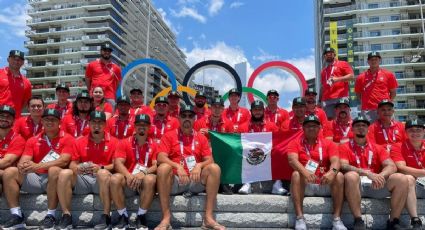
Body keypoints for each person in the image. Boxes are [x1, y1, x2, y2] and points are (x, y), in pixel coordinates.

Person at [2, 109, 74, 230]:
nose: (49, 122)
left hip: (56, 180)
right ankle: (16, 215)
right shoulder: (33, 140)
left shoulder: (67, 138)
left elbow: (64, 161)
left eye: (53, 119)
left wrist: (37, 166)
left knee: (54, 170)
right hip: (36, 177)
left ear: (59, 122)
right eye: (46, 119)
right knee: (10, 172)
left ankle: (51, 215)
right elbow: (24, 160)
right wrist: (23, 165)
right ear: (41, 121)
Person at [155, 105, 225, 230]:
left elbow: (210, 159)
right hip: (176, 181)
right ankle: (166, 218)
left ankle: (208, 219)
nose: (187, 118)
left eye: (190, 116)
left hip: (194, 180)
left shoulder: (201, 137)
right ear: (178, 118)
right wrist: (177, 166)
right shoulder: (169, 135)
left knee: (214, 168)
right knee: (163, 168)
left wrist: (199, 165)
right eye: (184, 116)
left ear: (194, 119)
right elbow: (160, 157)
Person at [339, 116, 408, 230]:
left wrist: (381, 175)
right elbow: (343, 165)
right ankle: (358, 220)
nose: (361, 128)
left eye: (364, 125)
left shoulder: (377, 147)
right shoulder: (344, 146)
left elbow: (391, 166)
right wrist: (366, 173)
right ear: (352, 129)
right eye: (357, 125)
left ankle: (393, 222)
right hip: (355, 185)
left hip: (375, 183)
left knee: (401, 178)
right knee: (351, 176)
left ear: (368, 129)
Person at [55, 111, 117, 230]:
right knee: (64, 173)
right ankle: (66, 215)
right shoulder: (79, 141)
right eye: (94, 122)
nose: (97, 125)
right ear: (89, 123)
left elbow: (116, 165)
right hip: (83, 178)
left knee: (103, 173)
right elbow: (72, 163)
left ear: (105, 125)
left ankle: (106, 216)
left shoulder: (114, 141)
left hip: (102, 180)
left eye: (100, 123)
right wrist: (76, 168)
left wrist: (101, 168)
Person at [287, 115, 346, 230]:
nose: (311, 128)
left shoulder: (329, 144)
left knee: (338, 176)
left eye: (314, 126)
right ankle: (299, 218)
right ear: (303, 129)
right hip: (306, 184)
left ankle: (337, 220)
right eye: (308, 126)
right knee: (296, 175)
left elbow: (336, 162)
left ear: (319, 128)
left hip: (324, 182)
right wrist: (305, 173)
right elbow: (292, 160)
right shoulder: (294, 143)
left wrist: (332, 173)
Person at [110, 114, 158, 229]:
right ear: (134, 126)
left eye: (145, 125)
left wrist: (144, 173)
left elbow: (157, 165)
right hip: (129, 180)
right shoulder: (125, 142)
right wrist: (128, 175)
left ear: (149, 127)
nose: (142, 127)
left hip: (145, 181)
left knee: (150, 179)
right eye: (139, 125)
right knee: (115, 178)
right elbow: (118, 162)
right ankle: (123, 216)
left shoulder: (155, 144)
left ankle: (141, 216)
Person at [237, 100, 281, 195]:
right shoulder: (242, 127)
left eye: (260, 109)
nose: (257, 112)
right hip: (249, 157)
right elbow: (237, 145)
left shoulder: (272, 126)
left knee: (280, 151)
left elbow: (278, 142)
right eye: (255, 110)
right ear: (251, 111)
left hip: (267, 157)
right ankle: (247, 183)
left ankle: (277, 184)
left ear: (263, 111)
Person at [389, 119, 425, 230]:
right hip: (411, 182)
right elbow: (401, 168)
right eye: (411, 130)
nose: (415, 133)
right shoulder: (398, 146)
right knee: (408, 178)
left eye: (418, 130)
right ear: (406, 133)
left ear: (424, 131)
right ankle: (415, 219)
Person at [355, 51, 398, 122]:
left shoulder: (388, 74)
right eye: (371, 59)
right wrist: (366, 103)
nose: (374, 61)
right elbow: (358, 94)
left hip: (385, 109)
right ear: (368, 61)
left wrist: (387, 104)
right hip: (368, 110)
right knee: (369, 131)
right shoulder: (361, 77)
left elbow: (393, 92)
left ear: (380, 61)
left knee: (389, 130)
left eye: (376, 59)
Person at [319, 47, 354, 120]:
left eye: (330, 53)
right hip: (327, 99)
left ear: (334, 54)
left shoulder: (343, 64)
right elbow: (322, 87)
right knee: (329, 122)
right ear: (324, 57)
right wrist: (319, 100)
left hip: (340, 97)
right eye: (326, 54)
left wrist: (337, 79)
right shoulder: (323, 71)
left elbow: (351, 76)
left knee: (343, 119)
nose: (328, 55)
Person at [85, 42, 122, 108]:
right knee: (92, 116)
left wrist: (111, 90)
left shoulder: (116, 68)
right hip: (95, 96)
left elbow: (118, 83)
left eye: (109, 51)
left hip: (109, 96)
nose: (107, 52)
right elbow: (87, 80)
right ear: (101, 51)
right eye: (105, 50)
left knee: (110, 117)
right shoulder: (92, 65)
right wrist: (91, 91)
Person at [0, 105, 26, 195]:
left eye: (8, 117)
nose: (4, 119)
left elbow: (6, 162)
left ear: (14, 121)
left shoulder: (18, 139)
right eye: (1, 116)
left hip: (9, 177)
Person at [0, 50, 32, 118]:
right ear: (8, 59)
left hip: (15, 118)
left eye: (19, 60)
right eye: (13, 58)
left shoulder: (26, 82)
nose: (16, 61)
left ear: (23, 62)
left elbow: (25, 102)